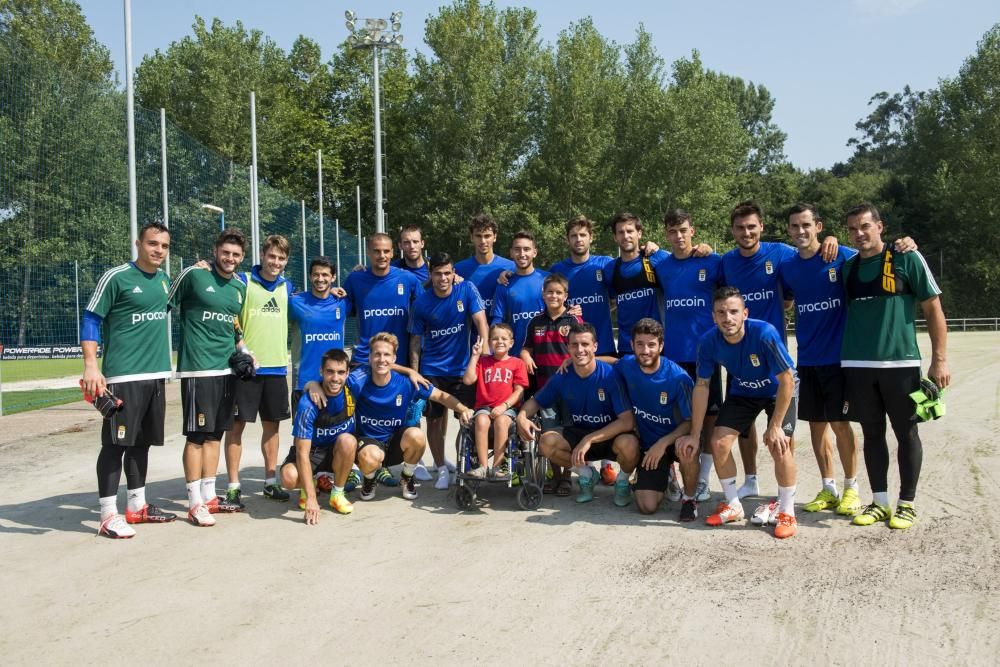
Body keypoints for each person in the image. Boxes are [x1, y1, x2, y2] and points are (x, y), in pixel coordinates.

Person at [841, 203, 950, 530]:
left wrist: (940, 359)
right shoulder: (848, 269)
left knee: (906, 433)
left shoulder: (907, 257)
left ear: (880, 226)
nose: (859, 234)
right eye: (852, 229)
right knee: (872, 434)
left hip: (901, 363)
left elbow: (933, 309)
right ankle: (880, 502)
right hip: (858, 364)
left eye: (865, 226)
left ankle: (907, 503)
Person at [720, 201, 837, 500]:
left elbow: (808, 253)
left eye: (751, 226)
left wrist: (830, 241)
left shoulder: (781, 253)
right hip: (738, 361)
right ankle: (751, 480)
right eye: (740, 228)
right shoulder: (726, 262)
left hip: (774, 361)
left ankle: (789, 492)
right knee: (744, 429)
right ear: (732, 230)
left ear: (761, 227)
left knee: (782, 433)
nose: (746, 232)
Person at [677, 286, 799, 539]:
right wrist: (694, 434)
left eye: (733, 312)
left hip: (778, 390)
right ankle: (733, 505)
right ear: (713, 316)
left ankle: (787, 511)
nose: (727, 318)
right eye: (721, 312)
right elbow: (701, 386)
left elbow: (787, 379)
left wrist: (775, 425)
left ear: (745, 313)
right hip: (743, 391)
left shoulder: (764, 333)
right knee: (718, 443)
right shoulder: (708, 341)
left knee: (780, 444)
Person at [81, 221, 175, 538]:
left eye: (163, 245)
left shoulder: (164, 281)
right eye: (152, 244)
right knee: (114, 446)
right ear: (138, 244)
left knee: (141, 443)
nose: (158, 250)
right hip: (123, 377)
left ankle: (137, 506)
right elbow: (91, 319)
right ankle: (108, 514)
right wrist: (91, 366)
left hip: (155, 376)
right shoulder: (117, 277)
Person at [778, 203, 862, 516]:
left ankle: (852, 487)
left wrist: (838, 240)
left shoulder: (840, 256)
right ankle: (829, 488)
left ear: (819, 226)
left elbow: (873, 255)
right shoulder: (788, 266)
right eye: (795, 226)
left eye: (806, 225)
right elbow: (786, 300)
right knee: (815, 427)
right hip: (807, 359)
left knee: (841, 424)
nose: (801, 231)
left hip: (838, 359)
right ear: (789, 230)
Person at [168, 228, 249, 527]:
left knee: (216, 434)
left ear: (241, 258)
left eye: (236, 255)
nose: (230, 258)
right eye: (226, 252)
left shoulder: (239, 287)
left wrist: (244, 350)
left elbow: (234, 325)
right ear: (215, 251)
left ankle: (209, 495)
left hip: (225, 370)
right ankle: (193, 502)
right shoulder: (194, 276)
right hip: (198, 369)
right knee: (197, 437)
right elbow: (163, 301)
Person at [516, 322, 638, 507]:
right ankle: (587, 475)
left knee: (630, 445)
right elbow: (536, 401)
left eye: (585, 344)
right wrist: (521, 417)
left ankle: (622, 481)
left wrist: (589, 439)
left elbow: (627, 421)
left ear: (595, 346)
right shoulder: (562, 375)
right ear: (568, 347)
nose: (579, 349)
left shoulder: (611, 376)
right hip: (579, 433)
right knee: (547, 442)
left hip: (610, 435)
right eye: (574, 345)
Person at [342, 333, 473, 502]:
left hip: (396, 443)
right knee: (370, 456)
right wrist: (312, 385)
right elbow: (332, 384)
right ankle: (369, 479)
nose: (382, 359)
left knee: (416, 435)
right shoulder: (359, 378)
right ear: (370, 356)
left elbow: (440, 396)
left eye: (387, 354)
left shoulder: (406, 383)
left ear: (394, 358)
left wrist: (463, 409)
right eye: (377, 354)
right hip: (369, 443)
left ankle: (407, 476)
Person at [654, 209, 725, 503]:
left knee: (708, 419)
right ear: (666, 235)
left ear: (693, 231)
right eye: (672, 231)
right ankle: (671, 476)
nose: (679, 236)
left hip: (705, 355)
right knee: (672, 417)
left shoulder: (711, 261)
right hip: (671, 356)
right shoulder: (660, 266)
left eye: (683, 230)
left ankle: (703, 479)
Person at [409, 252, 489, 489]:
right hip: (432, 369)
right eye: (437, 273)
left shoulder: (467, 290)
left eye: (447, 273)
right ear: (430, 274)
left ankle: (461, 463)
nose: (443, 278)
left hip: (462, 369)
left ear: (454, 273)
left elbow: (481, 323)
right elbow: (415, 340)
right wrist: (415, 373)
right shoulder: (421, 302)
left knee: (466, 420)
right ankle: (441, 468)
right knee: (434, 421)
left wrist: (483, 352)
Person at [224, 234, 295, 505]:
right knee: (236, 428)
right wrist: (241, 346)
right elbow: (229, 312)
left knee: (272, 428)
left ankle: (269, 481)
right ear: (262, 255)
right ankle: (233, 485)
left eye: (281, 258)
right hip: (247, 371)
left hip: (276, 368)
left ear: (286, 261)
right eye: (271, 256)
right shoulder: (243, 281)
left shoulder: (288, 287)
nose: (275, 262)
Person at [614, 319, 697, 520]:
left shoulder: (679, 378)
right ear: (632, 345)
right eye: (640, 344)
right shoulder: (627, 365)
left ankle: (689, 499)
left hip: (674, 440)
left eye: (651, 344)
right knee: (646, 506)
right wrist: (575, 360)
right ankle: (665, 474)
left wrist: (663, 443)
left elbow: (689, 421)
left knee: (687, 448)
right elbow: (608, 362)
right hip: (649, 446)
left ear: (661, 345)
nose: (645, 350)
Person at [280, 348, 359, 523]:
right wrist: (310, 498)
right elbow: (301, 453)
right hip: (312, 453)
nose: (335, 378)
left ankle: (336, 493)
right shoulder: (307, 405)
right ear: (321, 372)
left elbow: (381, 365)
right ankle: (311, 485)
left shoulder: (354, 385)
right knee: (288, 478)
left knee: (348, 440)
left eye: (340, 372)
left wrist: (410, 372)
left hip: (336, 452)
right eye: (330, 372)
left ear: (347, 373)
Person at [520, 272, 582, 494]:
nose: (553, 296)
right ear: (543, 295)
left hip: (570, 389)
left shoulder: (573, 321)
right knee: (549, 432)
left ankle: (567, 478)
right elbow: (526, 347)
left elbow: (582, 347)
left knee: (567, 433)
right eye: (549, 292)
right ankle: (555, 476)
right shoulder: (536, 322)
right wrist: (525, 355)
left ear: (565, 295)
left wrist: (570, 357)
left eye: (558, 292)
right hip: (545, 389)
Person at [343, 233, 423, 368]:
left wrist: (454, 281)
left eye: (386, 251)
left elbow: (429, 304)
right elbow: (337, 307)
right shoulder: (355, 279)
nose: (382, 256)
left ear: (392, 253)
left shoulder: (407, 279)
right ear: (368, 252)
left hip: (397, 360)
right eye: (376, 251)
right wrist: (331, 292)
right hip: (363, 359)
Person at [462, 324, 529, 479]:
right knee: (481, 420)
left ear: (511, 343)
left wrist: (504, 406)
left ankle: (497, 467)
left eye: (504, 338)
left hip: (507, 409)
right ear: (489, 342)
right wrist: (475, 356)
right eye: (495, 338)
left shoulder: (517, 363)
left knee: (501, 421)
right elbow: (468, 380)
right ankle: (483, 467)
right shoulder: (483, 362)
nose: (500, 341)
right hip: (484, 407)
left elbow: (519, 391)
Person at [288, 256, 351, 409]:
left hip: (334, 381)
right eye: (316, 274)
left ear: (333, 277)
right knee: (302, 432)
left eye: (325, 275)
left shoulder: (342, 303)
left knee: (336, 431)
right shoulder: (295, 302)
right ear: (310, 276)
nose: (320, 279)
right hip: (304, 381)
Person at [549, 216, 617, 356]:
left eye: (583, 235)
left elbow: (616, 298)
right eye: (574, 235)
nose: (578, 239)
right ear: (567, 240)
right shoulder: (557, 270)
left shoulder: (605, 264)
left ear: (591, 238)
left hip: (603, 346)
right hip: (571, 350)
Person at [602, 212, 668, 355]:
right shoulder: (610, 269)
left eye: (630, 231)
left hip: (655, 345)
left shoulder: (657, 258)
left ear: (639, 233)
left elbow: (683, 261)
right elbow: (612, 301)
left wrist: (702, 248)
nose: (626, 236)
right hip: (627, 347)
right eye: (621, 232)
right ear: (615, 237)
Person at [491, 230, 548, 355]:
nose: (522, 254)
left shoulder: (547, 280)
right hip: (515, 357)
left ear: (535, 252)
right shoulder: (504, 284)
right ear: (511, 253)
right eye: (517, 249)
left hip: (546, 355)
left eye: (526, 249)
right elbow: (497, 322)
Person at [454, 213, 516, 314]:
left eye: (487, 236)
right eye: (478, 236)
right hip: (471, 329)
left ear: (495, 237)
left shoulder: (511, 267)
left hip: (502, 328)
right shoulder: (459, 269)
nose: (483, 241)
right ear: (471, 237)